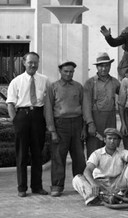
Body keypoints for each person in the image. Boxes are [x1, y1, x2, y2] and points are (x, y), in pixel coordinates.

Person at [6, 52, 50, 197]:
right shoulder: (16, 81)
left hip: (38, 116)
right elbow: (11, 104)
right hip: (22, 117)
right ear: (24, 63)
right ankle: (21, 188)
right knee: (21, 154)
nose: (33, 65)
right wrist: (15, 121)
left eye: (35, 62)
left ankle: (37, 187)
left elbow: (48, 101)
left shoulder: (45, 80)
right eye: (30, 62)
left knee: (38, 154)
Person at [44, 60, 86, 197]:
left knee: (79, 156)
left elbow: (84, 107)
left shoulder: (78, 87)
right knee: (58, 156)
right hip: (60, 125)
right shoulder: (53, 87)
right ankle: (57, 186)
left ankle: (81, 185)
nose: (69, 74)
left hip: (77, 123)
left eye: (71, 71)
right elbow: (48, 109)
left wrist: (84, 127)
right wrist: (52, 130)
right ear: (60, 71)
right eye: (66, 71)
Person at [72, 128, 128, 206]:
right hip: (100, 184)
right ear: (104, 140)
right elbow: (87, 170)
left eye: (115, 139)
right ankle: (99, 198)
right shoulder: (97, 154)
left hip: (118, 183)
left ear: (118, 141)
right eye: (109, 138)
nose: (112, 141)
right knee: (77, 179)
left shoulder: (122, 153)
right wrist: (93, 183)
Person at [83, 52, 120, 157]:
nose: (104, 69)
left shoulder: (115, 82)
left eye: (106, 66)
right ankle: (93, 173)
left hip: (110, 118)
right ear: (97, 67)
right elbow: (86, 106)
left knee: (110, 148)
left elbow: (125, 96)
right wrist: (90, 123)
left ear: (110, 66)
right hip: (95, 118)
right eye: (101, 66)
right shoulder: (90, 83)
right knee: (94, 150)